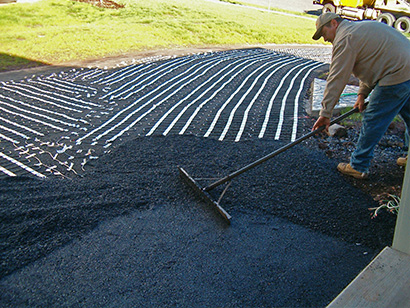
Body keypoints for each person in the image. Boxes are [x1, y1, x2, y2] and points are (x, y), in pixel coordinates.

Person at [312, 13, 410, 179]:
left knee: (373, 118)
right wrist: (362, 94)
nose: (325, 39)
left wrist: (325, 114)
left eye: (324, 34)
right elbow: (373, 63)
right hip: (405, 69)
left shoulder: (345, 38)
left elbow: (337, 78)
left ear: (333, 23)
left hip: (397, 74)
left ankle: (359, 165)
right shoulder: (359, 29)